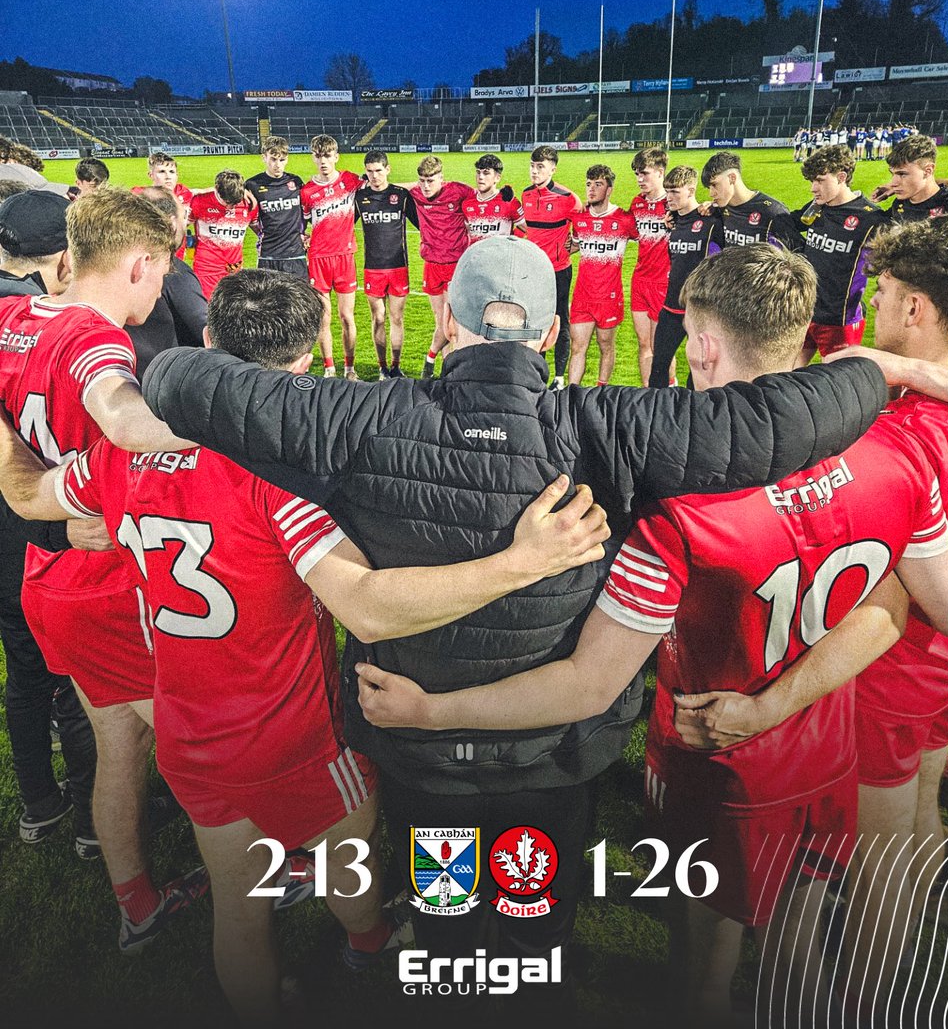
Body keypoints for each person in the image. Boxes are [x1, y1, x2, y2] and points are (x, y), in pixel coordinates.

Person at [141, 234, 889, 981]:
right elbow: (786, 417)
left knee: (446, 927)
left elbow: (176, 376)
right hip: (550, 758)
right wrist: (883, 364)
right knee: (535, 927)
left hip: (422, 751)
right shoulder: (612, 426)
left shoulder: (358, 415)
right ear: (553, 333)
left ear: (444, 322)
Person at [355, 244, 948, 1027]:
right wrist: (784, 704)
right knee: (797, 923)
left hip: (721, 761)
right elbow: (899, 606)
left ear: (701, 346)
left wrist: (432, 710)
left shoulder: (681, 510)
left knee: (704, 967)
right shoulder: (889, 453)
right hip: (825, 741)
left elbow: (591, 682)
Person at [0, 266, 610, 1023]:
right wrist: (519, 563)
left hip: (189, 725)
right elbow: (369, 608)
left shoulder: (118, 455)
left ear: (210, 339)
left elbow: (27, 493)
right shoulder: (288, 472)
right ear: (310, 361)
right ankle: (369, 944)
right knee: (350, 869)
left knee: (238, 902)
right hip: (294, 730)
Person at [679, 216, 948, 1019]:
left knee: (878, 860)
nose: (869, 304)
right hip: (942, 675)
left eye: (881, 292)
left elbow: (912, 596)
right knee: (916, 814)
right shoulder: (929, 392)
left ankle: (863, 1002)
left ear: (914, 307)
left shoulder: (899, 430)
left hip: (895, 665)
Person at [0, 186, 206, 951]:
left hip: (50, 579)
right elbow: (120, 413)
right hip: (116, 581)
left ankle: (138, 905)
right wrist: (225, 427)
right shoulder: (96, 338)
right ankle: (268, 879)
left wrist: (33, 490)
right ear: (139, 263)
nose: (159, 292)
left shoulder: (16, 315)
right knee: (203, 747)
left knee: (119, 744)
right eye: (159, 275)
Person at [0, 191, 99, 857]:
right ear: (63, 260)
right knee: (78, 679)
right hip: (41, 528)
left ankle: (38, 804)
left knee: (25, 675)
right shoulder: (56, 326)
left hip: (11, 538)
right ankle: (97, 826)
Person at [792, 144, 886, 363]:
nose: (813, 188)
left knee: (838, 385)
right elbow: (787, 222)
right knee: (787, 373)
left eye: (820, 180)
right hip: (805, 310)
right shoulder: (817, 206)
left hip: (839, 319)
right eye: (811, 181)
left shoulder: (870, 219)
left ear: (841, 177)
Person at [648, 165, 721, 388]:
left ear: (691, 190)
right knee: (658, 367)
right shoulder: (673, 221)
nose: (668, 197)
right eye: (667, 191)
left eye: (675, 192)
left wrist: (715, 206)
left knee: (698, 370)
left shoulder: (711, 221)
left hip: (699, 310)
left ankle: (693, 416)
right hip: (671, 307)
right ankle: (655, 415)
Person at [126, 187, 207, 378]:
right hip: (166, 383)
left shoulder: (114, 263)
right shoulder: (173, 272)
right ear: (171, 224)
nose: (185, 222)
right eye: (183, 216)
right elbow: (207, 333)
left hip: (124, 376)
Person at [404, 155, 473, 379]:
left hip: (455, 264)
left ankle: (436, 361)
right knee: (440, 321)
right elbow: (396, 186)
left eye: (430, 181)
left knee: (453, 322)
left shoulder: (459, 191)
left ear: (442, 179)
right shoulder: (415, 193)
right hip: (431, 265)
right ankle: (446, 370)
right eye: (422, 180)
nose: (425, 186)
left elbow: (482, 198)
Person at [299, 134, 362, 379]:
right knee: (323, 318)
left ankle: (349, 368)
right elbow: (302, 224)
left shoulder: (350, 180)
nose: (323, 161)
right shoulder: (307, 191)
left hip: (345, 256)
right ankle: (329, 369)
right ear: (313, 157)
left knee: (347, 316)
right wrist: (303, 237)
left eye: (327, 155)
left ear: (336, 156)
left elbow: (380, 185)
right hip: (318, 259)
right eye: (318, 156)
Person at [567, 164, 637, 386]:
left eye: (598, 184)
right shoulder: (580, 220)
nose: (591, 189)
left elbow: (648, 235)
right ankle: (571, 394)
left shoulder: (625, 220)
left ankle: (601, 390)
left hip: (609, 297)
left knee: (606, 346)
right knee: (577, 348)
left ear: (609, 190)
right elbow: (573, 245)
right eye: (589, 184)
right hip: (582, 297)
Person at [521, 145, 582, 390]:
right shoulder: (526, 195)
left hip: (558, 270)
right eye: (532, 166)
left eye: (540, 167)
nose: (534, 172)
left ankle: (558, 377)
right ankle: (538, 371)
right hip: (533, 270)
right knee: (535, 320)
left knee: (560, 319)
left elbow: (582, 227)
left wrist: (573, 244)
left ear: (553, 169)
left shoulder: (568, 198)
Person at [355, 150, 418, 380]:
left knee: (397, 318)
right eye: (370, 172)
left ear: (387, 169)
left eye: (379, 171)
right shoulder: (359, 198)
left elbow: (423, 223)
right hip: (372, 268)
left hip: (399, 266)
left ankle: (396, 365)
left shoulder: (401, 196)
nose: (374, 176)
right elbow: (342, 224)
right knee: (378, 318)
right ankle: (382, 367)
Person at [627, 147, 671, 386]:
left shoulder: (673, 203)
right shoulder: (637, 204)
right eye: (637, 174)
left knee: (661, 346)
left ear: (660, 172)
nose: (639, 179)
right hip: (639, 281)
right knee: (644, 344)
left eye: (644, 173)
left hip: (664, 282)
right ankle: (647, 392)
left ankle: (669, 391)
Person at [700, 151, 803, 251]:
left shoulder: (772, 212)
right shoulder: (719, 210)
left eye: (714, 185)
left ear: (732, 178)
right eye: (709, 187)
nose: (711, 193)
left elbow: (797, 255)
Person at [188, 169, 258, 300]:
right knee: (208, 311)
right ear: (216, 188)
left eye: (234, 204)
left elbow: (259, 230)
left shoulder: (249, 204)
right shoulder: (200, 202)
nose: (230, 208)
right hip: (206, 270)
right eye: (227, 202)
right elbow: (180, 226)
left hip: (234, 270)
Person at [244, 135, 308, 278]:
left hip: (295, 254)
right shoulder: (252, 185)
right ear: (264, 157)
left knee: (300, 299)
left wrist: (304, 233)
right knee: (268, 300)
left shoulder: (296, 182)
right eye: (273, 159)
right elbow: (246, 216)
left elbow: (307, 210)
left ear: (287, 159)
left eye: (282, 160)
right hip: (268, 255)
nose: (277, 164)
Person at [872, 133, 948, 220]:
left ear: (928, 171)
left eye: (902, 174)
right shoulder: (899, 204)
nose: (893, 183)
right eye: (892, 173)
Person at [132, 152, 193, 258]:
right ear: (151, 175)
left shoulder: (184, 193)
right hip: (152, 255)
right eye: (162, 172)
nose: (168, 176)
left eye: (171, 172)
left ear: (177, 175)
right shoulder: (140, 194)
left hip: (177, 257)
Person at [461, 154, 525, 246]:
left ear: (497, 178)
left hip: (500, 258)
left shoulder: (508, 201)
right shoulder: (467, 203)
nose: (480, 177)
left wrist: (511, 242)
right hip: (475, 258)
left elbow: (528, 230)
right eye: (478, 172)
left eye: (486, 173)